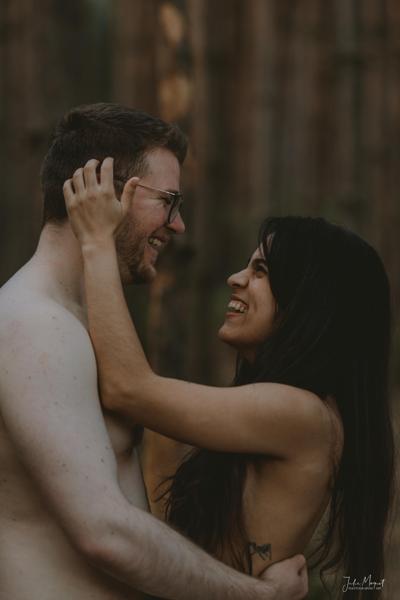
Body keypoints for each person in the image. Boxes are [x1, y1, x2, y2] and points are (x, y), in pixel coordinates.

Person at [0, 102, 308, 600]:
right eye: (169, 200)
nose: (178, 224)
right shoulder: (34, 328)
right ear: (100, 188)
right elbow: (105, 532)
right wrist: (258, 597)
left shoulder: (76, 322)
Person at [63, 161, 395, 599]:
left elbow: (128, 387)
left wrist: (96, 242)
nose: (235, 279)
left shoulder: (299, 412)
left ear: (309, 306)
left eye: (260, 272)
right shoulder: (297, 410)